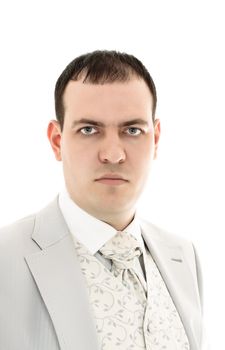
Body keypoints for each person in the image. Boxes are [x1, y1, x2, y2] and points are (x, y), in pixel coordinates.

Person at [0, 50, 207, 350]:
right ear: (57, 141)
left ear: (156, 139)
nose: (113, 154)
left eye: (133, 130)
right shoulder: (5, 259)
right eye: (89, 130)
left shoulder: (184, 256)